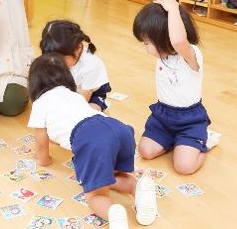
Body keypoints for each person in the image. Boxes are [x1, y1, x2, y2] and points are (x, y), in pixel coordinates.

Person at [27, 53, 157, 227]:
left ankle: (113, 212)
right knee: (114, 174)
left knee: (96, 195)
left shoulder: (40, 103)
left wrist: (44, 159)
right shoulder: (72, 95)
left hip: (91, 138)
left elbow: (42, 145)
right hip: (117, 128)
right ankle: (137, 189)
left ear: (34, 83)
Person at [132, 0, 219, 175]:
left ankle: (205, 142)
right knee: (144, 151)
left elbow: (178, 39)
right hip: (163, 116)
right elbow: (156, 15)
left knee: (184, 167)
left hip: (190, 120)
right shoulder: (163, 52)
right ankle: (177, 143)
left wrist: (173, 8)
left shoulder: (190, 54)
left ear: (164, 39)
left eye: (146, 43)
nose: (144, 46)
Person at [39, 20, 111, 111]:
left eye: (60, 60)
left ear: (78, 48)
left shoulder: (91, 65)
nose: (55, 63)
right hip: (70, 88)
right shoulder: (57, 57)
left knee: (89, 111)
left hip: (91, 94)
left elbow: (83, 101)